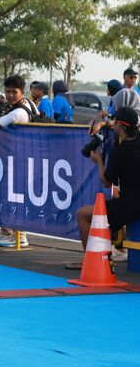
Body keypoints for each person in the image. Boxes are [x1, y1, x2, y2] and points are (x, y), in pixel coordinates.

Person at [71, 107, 140, 268]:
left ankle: (91, 262)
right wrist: (103, 123)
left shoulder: (120, 152)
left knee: (83, 214)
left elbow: (107, 182)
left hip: (131, 205)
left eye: (115, 122)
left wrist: (99, 161)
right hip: (132, 199)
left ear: (120, 126)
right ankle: (115, 250)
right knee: (115, 197)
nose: (113, 124)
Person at [0, 74, 39, 248]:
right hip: (16, 158)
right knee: (7, 196)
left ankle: (20, 236)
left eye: (14, 92)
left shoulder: (19, 112)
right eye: (7, 91)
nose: (10, 95)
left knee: (17, 198)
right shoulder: (28, 104)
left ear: (22, 92)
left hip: (21, 160)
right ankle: (7, 232)